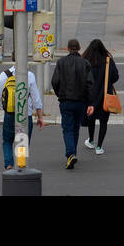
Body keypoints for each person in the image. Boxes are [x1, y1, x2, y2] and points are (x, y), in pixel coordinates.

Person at [0, 66, 45, 170]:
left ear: (12, 58)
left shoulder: (4, 75)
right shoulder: (29, 75)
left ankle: (9, 164)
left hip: (9, 113)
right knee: (23, 141)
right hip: (26, 114)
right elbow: (36, 99)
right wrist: (40, 117)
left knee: (7, 140)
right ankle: (20, 164)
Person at [51, 38, 93, 169]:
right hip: (81, 101)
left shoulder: (61, 62)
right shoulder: (85, 63)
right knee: (75, 127)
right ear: (79, 48)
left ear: (67, 49)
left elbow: (55, 81)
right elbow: (90, 84)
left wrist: (60, 94)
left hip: (66, 100)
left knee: (67, 128)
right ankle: (73, 152)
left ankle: (70, 154)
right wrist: (90, 102)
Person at [82, 39, 119, 155]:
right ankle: (99, 146)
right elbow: (115, 77)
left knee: (91, 119)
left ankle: (91, 140)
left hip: (90, 96)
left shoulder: (85, 61)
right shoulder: (108, 61)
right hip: (104, 96)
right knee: (103, 122)